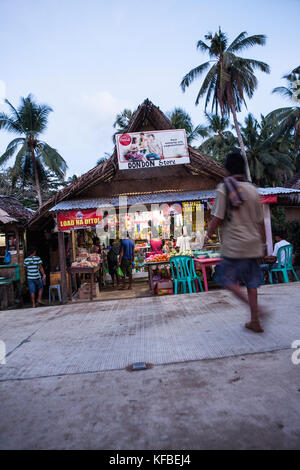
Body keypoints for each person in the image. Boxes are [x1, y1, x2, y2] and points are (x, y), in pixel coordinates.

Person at [204, 151, 267, 333]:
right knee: (252, 283)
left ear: (227, 169)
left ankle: (258, 311)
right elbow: (260, 221)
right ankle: (255, 320)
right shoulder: (253, 190)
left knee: (225, 278)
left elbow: (217, 218)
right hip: (253, 244)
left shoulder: (224, 189)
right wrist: (263, 244)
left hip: (235, 246)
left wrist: (207, 237)